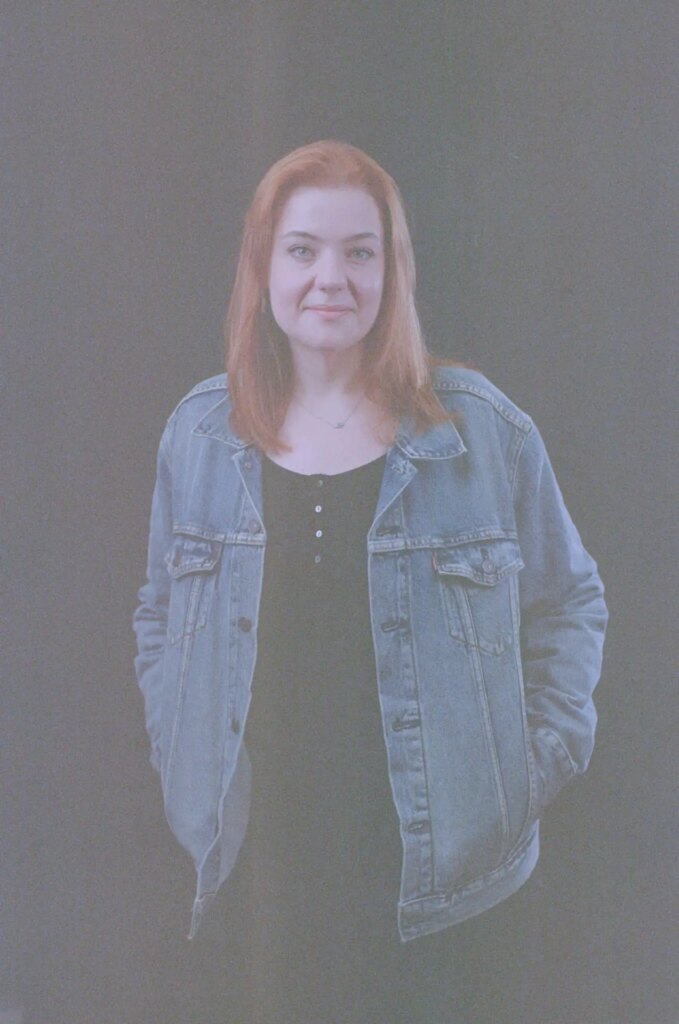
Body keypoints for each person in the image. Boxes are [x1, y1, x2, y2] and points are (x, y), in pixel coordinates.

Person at [133, 139, 608, 1023]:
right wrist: (175, 748)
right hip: (249, 876)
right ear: (263, 266)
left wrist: (528, 770)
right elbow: (160, 612)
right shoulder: (197, 434)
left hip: (446, 889)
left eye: (361, 252)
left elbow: (571, 600)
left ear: (394, 271)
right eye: (303, 249)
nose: (331, 278)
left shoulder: (480, 432)